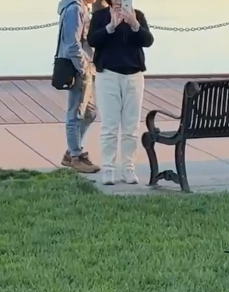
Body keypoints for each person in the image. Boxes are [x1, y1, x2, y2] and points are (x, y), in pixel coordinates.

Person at [87, 1, 155, 186]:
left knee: (131, 125)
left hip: (134, 75)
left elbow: (148, 41)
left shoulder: (137, 15)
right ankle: (108, 168)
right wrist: (111, 26)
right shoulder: (100, 16)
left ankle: (128, 167)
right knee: (109, 126)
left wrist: (134, 24)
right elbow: (92, 40)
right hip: (108, 75)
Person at [56, 0, 99, 173]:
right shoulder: (74, 9)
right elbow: (72, 44)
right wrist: (84, 68)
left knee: (90, 112)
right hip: (79, 69)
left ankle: (72, 151)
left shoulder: (80, 7)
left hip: (85, 67)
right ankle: (75, 156)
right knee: (76, 112)